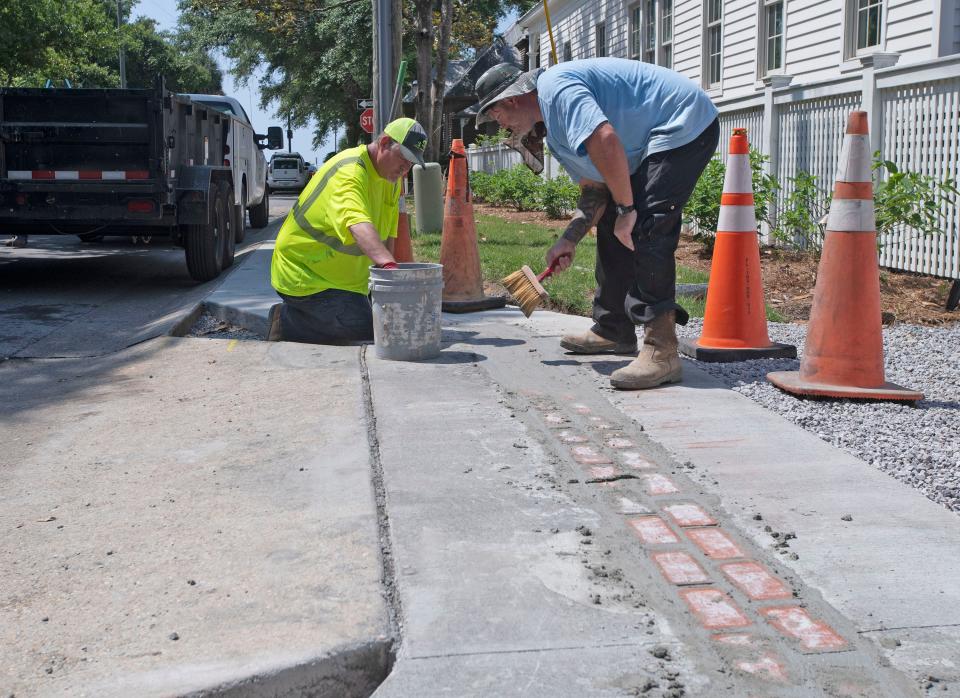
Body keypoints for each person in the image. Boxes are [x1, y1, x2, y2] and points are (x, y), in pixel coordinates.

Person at [474, 58, 719, 390]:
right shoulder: (556, 134)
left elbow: (605, 139)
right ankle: (612, 329)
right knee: (612, 225)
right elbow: (595, 191)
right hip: (647, 142)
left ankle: (662, 351)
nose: (497, 123)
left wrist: (629, 208)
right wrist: (568, 240)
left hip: (682, 121)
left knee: (646, 225)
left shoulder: (556, 90)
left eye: (494, 113)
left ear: (512, 99)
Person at [268, 117, 427, 344]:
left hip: (344, 283)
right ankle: (284, 321)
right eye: (403, 158)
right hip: (304, 275)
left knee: (387, 324)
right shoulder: (350, 172)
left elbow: (388, 236)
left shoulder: (391, 179)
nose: (405, 168)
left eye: (411, 163)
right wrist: (391, 269)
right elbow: (357, 225)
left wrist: (385, 287)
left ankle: (321, 317)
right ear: (384, 143)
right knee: (365, 328)